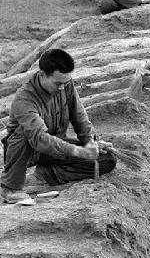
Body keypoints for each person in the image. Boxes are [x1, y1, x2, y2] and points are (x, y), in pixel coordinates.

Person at [1, 49, 117, 204]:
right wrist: (78, 151)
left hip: (56, 146)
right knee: (24, 133)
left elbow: (79, 114)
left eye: (66, 83)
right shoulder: (25, 98)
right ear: (42, 75)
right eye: (58, 83)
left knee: (107, 159)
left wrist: (90, 142)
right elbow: (39, 138)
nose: (62, 88)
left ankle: (50, 173)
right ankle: (11, 187)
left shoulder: (65, 84)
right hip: (28, 150)